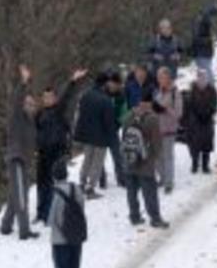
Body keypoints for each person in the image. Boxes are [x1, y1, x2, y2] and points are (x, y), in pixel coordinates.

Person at [34, 69, 87, 223]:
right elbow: (35, 133)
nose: (47, 99)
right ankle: (41, 213)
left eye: (50, 97)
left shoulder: (58, 110)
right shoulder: (39, 114)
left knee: (55, 184)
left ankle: (52, 213)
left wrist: (72, 81)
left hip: (56, 153)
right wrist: (35, 148)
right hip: (42, 153)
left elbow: (66, 96)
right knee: (41, 184)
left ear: (55, 99)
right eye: (45, 97)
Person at [0, 65, 40, 239]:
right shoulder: (17, 116)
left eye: (33, 104)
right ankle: (24, 231)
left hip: (24, 161)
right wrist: (24, 82)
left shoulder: (31, 122)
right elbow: (17, 99)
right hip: (16, 159)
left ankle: (5, 226)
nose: (30, 106)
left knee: (14, 195)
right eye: (28, 103)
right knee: (22, 195)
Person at [122, 91, 168, 228]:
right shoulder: (152, 118)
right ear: (147, 103)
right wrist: (153, 158)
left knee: (131, 191)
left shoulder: (127, 117)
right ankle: (155, 218)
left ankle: (134, 216)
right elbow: (157, 143)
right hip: (145, 163)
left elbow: (123, 139)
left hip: (129, 161)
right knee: (150, 192)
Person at [73, 72, 117, 199]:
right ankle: (90, 188)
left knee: (87, 159)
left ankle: (82, 182)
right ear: (104, 84)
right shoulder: (105, 100)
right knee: (97, 163)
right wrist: (112, 138)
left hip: (87, 135)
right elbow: (109, 123)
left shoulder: (85, 95)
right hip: (101, 137)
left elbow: (80, 116)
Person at [48, 158, 85, 268]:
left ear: (53, 176)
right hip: (76, 237)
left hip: (59, 241)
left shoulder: (54, 193)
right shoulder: (76, 189)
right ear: (66, 174)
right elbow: (81, 207)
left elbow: (50, 220)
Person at [183, 69, 217, 174]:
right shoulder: (192, 89)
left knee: (206, 144)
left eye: (203, 77)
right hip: (195, 121)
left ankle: (205, 165)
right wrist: (195, 115)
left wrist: (209, 113)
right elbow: (189, 104)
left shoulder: (211, 90)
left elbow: (214, 104)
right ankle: (194, 163)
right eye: (199, 76)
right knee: (194, 144)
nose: (201, 79)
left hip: (207, 120)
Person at [153, 67, 182, 193]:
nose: (160, 80)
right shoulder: (158, 92)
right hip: (157, 128)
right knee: (157, 157)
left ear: (169, 78)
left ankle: (169, 182)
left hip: (169, 129)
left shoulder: (175, 92)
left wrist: (165, 110)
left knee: (168, 156)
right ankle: (163, 178)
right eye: (159, 77)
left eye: (163, 77)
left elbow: (179, 113)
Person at [191, 6, 217, 84]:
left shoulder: (204, 21)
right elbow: (196, 39)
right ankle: (210, 90)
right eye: (213, 17)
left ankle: (209, 91)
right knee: (206, 74)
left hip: (205, 52)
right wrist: (208, 40)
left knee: (206, 73)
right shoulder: (200, 22)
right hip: (201, 53)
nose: (214, 20)